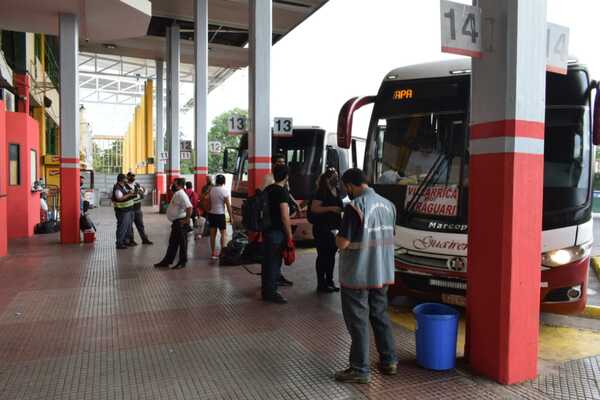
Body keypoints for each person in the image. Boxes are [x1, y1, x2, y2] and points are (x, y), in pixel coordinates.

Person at [334, 168, 398, 384]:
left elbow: (343, 242)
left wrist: (335, 237)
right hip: (382, 271)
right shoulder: (389, 205)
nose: (346, 191)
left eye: (346, 188)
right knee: (379, 314)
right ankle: (389, 361)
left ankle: (359, 369)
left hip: (358, 274)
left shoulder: (355, 207)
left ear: (350, 185)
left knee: (358, 321)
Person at [261, 164, 294, 304]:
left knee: (268, 262)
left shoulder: (267, 189)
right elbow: (285, 217)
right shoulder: (282, 192)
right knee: (274, 263)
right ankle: (271, 292)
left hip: (266, 230)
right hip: (276, 232)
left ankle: (266, 290)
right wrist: (290, 236)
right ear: (286, 176)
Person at [310, 168, 343, 293]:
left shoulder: (337, 190)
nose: (337, 178)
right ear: (328, 178)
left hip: (335, 229)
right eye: (335, 176)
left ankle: (330, 281)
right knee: (323, 256)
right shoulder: (321, 191)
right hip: (322, 228)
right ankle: (321, 283)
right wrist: (331, 208)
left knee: (331, 256)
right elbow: (314, 208)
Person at [154, 178, 193, 269]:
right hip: (176, 223)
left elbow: (189, 207)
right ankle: (167, 261)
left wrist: (187, 219)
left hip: (180, 222)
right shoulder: (177, 194)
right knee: (173, 242)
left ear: (179, 185)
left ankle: (182, 262)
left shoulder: (181, 194)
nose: (172, 185)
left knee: (182, 243)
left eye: (174, 184)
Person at [207, 174, 233, 259]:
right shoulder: (224, 191)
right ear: (224, 182)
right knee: (223, 234)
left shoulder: (211, 190)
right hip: (220, 214)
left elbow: (208, 201)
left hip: (212, 214)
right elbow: (228, 205)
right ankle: (222, 252)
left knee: (212, 235)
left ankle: (213, 253)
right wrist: (231, 217)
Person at [126, 172, 153, 245]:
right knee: (129, 226)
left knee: (140, 225)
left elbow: (144, 192)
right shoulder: (125, 186)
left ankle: (144, 239)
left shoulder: (137, 184)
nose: (132, 177)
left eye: (133, 176)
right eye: (131, 176)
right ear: (127, 177)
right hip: (130, 208)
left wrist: (142, 192)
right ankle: (131, 241)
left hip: (138, 208)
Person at [112, 173, 136, 249]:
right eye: (126, 178)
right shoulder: (117, 188)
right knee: (122, 227)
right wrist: (129, 195)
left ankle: (125, 241)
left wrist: (131, 194)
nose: (127, 180)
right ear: (122, 179)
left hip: (126, 210)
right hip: (122, 211)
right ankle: (119, 243)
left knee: (126, 227)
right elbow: (119, 198)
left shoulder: (123, 186)